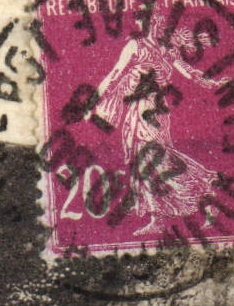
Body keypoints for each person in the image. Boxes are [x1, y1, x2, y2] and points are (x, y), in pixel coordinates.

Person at [92, 21, 219, 234]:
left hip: (147, 110)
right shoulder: (165, 49)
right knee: (145, 162)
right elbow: (189, 73)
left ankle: (205, 193)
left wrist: (93, 101)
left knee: (152, 159)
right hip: (149, 110)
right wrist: (210, 83)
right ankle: (159, 219)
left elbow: (115, 74)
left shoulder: (138, 46)